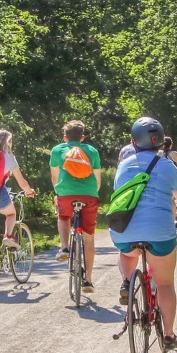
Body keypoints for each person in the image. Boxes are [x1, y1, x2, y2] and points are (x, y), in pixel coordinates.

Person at [111, 117, 177, 349]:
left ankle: (127, 281)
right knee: (165, 284)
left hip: (124, 230)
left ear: (132, 141)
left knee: (128, 254)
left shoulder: (123, 165)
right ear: (160, 143)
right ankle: (168, 335)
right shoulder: (167, 165)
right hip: (159, 232)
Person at [49, 120, 101, 292]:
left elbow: (54, 177)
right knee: (88, 237)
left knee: (63, 216)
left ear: (65, 137)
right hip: (89, 194)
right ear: (82, 137)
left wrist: (59, 194)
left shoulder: (57, 150)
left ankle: (64, 247)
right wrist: (93, 192)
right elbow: (97, 179)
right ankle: (88, 280)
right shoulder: (92, 151)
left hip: (66, 193)